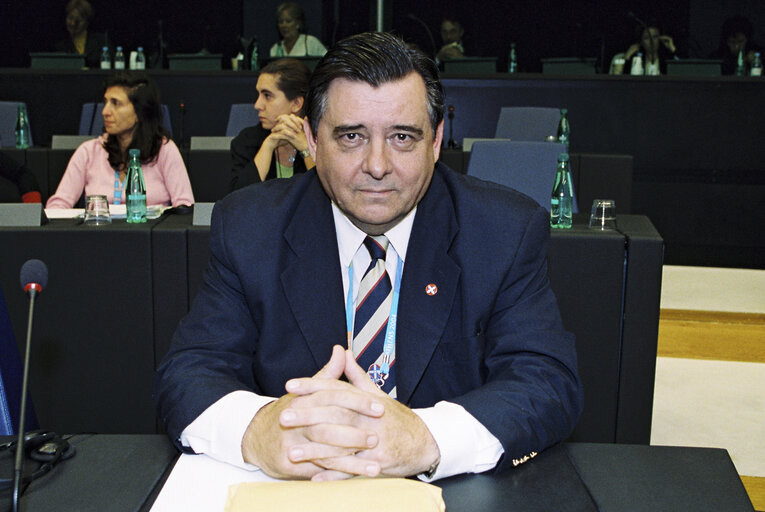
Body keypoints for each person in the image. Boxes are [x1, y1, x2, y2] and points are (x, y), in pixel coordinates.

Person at [155, 32, 582, 482]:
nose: (377, 165)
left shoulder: (503, 230)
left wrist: (426, 438)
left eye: (402, 137)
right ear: (312, 141)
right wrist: (259, 430)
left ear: (435, 142)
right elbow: (189, 371)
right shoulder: (249, 226)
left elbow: (546, 380)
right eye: (352, 137)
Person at [46, 72, 193, 209]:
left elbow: (185, 206)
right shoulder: (88, 151)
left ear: (139, 112)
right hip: (98, 234)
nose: (105, 112)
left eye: (115, 103)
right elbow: (60, 204)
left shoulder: (165, 150)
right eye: (106, 102)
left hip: (150, 235)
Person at [230, 59, 313, 189]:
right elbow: (237, 201)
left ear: (296, 103)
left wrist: (305, 148)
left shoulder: (321, 140)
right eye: (258, 95)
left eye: (267, 96)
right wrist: (268, 146)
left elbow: (331, 198)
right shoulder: (246, 141)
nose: (257, 105)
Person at [53, 0, 108, 69]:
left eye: (78, 20)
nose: (73, 23)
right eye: (70, 18)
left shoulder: (101, 42)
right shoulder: (60, 46)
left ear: (87, 22)